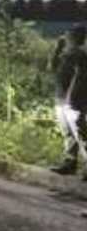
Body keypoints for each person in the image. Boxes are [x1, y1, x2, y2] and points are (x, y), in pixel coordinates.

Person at [49, 24, 87, 176]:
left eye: (69, 34)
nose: (66, 36)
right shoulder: (65, 54)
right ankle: (70, 163)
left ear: (77, 37)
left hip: (73, 101)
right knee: (68, 133)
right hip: (61, 99)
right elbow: (51, 67)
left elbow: (80, 78)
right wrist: (57, 48)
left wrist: (71, 98)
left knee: (80, 133)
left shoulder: (81, 56)